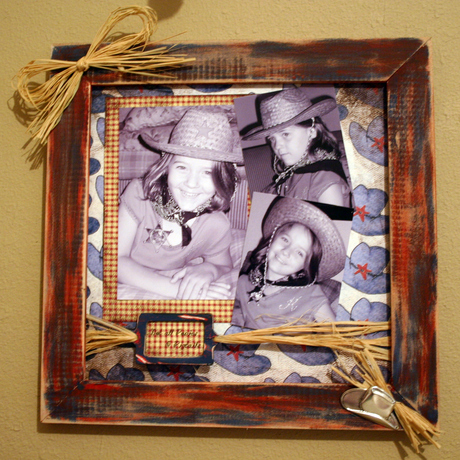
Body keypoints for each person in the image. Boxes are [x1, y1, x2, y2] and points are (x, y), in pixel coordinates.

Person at [118, 107, 242, 300]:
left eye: (207, 172)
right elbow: (115, 261)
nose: (191, 183)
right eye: (182, 167)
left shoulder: (216, 224)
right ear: (166, 167)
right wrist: (178, 290)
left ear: (222, 178)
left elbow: (224, 265)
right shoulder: (138, 193)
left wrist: (209, 270)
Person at [232, 196, 346, 329]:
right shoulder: (242, 283)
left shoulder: (310, 294)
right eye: (285, 240)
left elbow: (335, 333)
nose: (286, 251)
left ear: (306, 266)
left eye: (299, 252)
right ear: (271, 240)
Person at [243, 87, 351, 206]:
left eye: (285, 134)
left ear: (312, 132)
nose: (277, 145)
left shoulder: (326, 180)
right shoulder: (288, 176)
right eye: (272, 139)